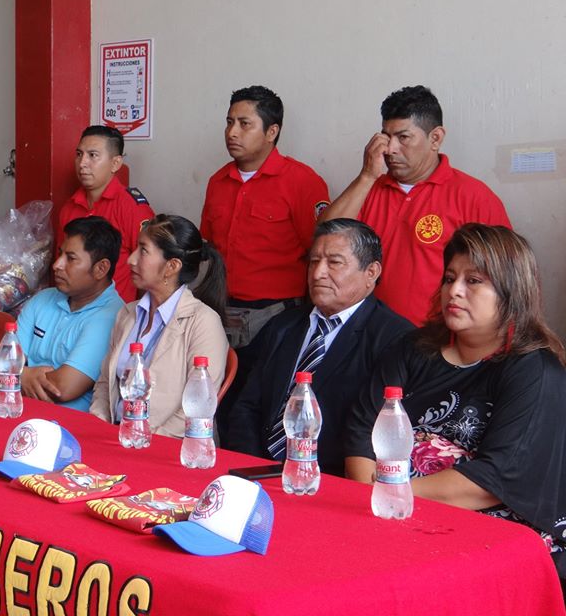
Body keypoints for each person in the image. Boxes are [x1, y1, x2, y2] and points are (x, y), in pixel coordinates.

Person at [345, 224, 566, 582]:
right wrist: (371, 500)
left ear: (511, 292)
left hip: (487, 532)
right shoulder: (413, 349)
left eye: (473, 281)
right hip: (388, 513)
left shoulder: (534, 370)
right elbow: (361, 428)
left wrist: (389, 495)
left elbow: (495, 477)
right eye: (449, 278)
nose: (455, 290)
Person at [222, 219, 413, 475]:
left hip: (331, 477)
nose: (318, 273)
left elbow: (370, 433)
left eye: (334, 262)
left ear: (371, 272)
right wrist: (252, 466)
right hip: (258, 468)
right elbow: (246, 406)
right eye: (313, 261)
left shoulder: (394, 338)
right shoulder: (284, 325)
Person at [319, 85, 510, 325]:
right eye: (386, 137)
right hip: (370, 333)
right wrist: (367, 176)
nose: (390, 149)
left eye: (403, 137)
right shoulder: (367, 189)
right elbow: (324, 241)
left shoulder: (474, 197)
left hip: (439, 337)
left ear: (435, 138)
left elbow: (507, 280)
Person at [200, 85, 330, 349]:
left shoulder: (301, 181)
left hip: (277, 316)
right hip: (222, 310)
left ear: (272, 132)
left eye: (244, 124)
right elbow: (210, 246)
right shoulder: (218, 181)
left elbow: (319, 250)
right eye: (229, 122)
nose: (232, 132)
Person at [90, 214, 228, 438]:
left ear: (172, 266)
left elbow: (197, 408)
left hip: (167, 446)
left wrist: (144, 442)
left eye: (143, 250)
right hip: (117, 437)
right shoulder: (127, 314)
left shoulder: (203, 322)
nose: (131, 259)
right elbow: (105, 383)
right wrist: (99, 426)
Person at [17, 216, 125, 411]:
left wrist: (17, 375)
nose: (57, 264)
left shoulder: (113, 316)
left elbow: (62, 388)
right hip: (18, 411)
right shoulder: (43, 299)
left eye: (71, 258)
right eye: (60, 254)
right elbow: (2, 362)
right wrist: (21, 375)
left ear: (101, 268)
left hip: (70, 424)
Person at [57, 125, 155, 302]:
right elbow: (61, 262)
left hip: (118, 312)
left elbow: (150, 270)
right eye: (79, 154)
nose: (82, 163)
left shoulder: (132, 208)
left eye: (92, 155)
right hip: (72, 309)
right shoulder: (69, 208)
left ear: (115, 163)